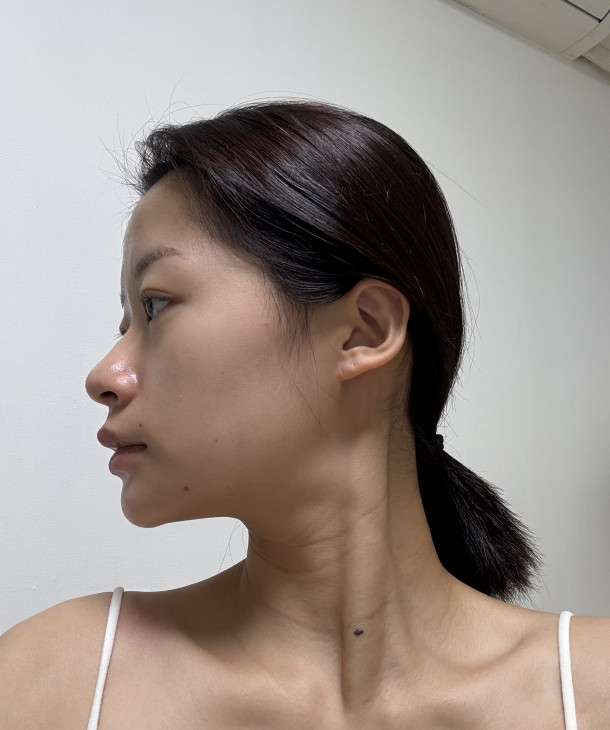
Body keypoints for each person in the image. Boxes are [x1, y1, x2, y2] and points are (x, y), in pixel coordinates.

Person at [0, 100, 608, 729]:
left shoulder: (591, 690)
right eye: (125, 323)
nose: (104, 376)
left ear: (363, 331)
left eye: (154, 306)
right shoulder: (54, 682)